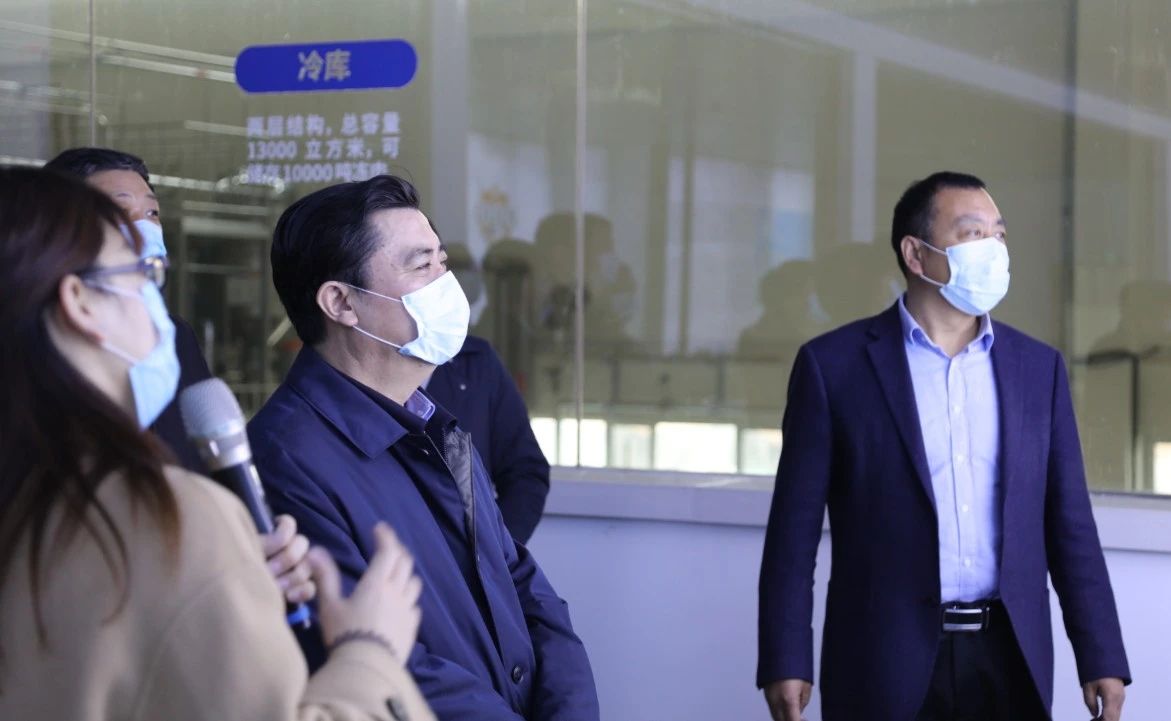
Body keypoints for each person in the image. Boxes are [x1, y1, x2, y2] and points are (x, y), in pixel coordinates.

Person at [0, 166, 434, 721]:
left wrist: (221, 587)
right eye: (141, 272)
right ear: (81, 303)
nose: (157, 302)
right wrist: (369, 649)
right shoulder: (161, 516)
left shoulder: (37, 502)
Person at [757, 171, 1130, 721]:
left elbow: (1069, 522)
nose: (994, 249)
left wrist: (1101, 653)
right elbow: (794, 533)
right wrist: (785, 658)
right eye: (973, 233)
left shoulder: (1037, 369)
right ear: (916, 254)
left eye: (999, 234)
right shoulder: (834, 367)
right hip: (882, 656)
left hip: (1009, 655)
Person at [248, 175, 600, 721]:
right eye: (421, 266)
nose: (446, 283)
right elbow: (380, 661)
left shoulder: (433, 422)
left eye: (442, 261)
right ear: (341, 302)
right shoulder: (285, 460)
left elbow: (523, 586)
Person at [44, 146, 313, 608]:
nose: (144, 227)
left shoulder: (176, 338)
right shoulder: (34, 367)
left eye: (152, 212)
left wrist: (246, 543)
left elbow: (199, 471)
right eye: (118, 212)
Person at [425, 334, 551, 543]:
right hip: (379, 551)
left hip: (457, 553)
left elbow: (526, 472)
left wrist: (495, 549)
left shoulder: (475, 362)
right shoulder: (366, 366)